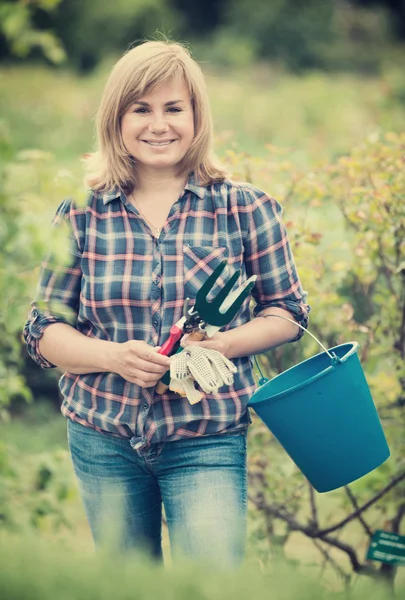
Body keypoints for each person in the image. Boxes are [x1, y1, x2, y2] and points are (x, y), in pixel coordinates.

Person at [23, 40, 309, 568]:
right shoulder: (82, 214)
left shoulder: (245, 208)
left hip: (206, 437)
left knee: (209, 582)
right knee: (129, 585)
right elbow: (43, 330)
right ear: (116, 120)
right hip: (103, 435)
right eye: (142, 109)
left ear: (197, 117)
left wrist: (223, 343)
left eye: (174, 108)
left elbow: (287, 313)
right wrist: (113, 357)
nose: (159, 125)